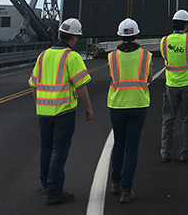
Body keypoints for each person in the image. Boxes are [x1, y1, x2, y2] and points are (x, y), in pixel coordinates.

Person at [29, 18, 93, 206]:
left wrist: (39, 103)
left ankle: (44, 183)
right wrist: (88, 107)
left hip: (44, 111)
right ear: (74, 38)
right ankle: (54, 191)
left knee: (46, 148)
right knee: (59, 150)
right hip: (63, 111)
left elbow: (33, 84)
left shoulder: (43, 55)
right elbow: (80, 85)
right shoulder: (71, 57)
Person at [107, 18, 153, 204]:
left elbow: (113, 77)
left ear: (119, 35)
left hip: (117, 104)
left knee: (119, 144)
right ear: (136, 35)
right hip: (139, 104)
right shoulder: (145, 56)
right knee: (132, 147)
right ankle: (126, 190)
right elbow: (149, 78)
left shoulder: (112, 56)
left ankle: (115, 183)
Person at [159, 9, 188, 163]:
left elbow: (166, 57)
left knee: (168, 119)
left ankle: (165, 153)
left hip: (171, 84)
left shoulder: (164, 41)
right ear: (186, 25)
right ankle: (185, 153)